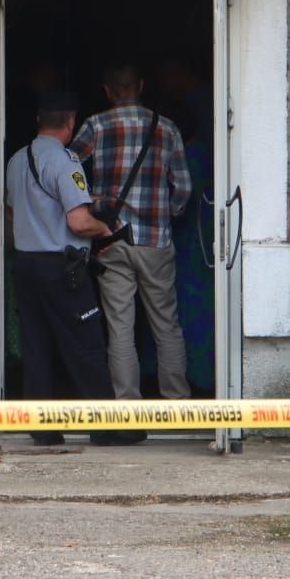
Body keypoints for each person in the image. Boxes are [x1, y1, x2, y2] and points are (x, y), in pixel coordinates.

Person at [5, 90, 145, 446]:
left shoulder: (17, 159)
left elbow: (12, 213)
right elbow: (80, 222)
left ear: (39, 120)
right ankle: (105, 428)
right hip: (61, 268)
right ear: (70, 123)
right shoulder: (66, 162)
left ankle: (42, 429)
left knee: (36, 347)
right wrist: (109, 230)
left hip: (25, 265)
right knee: (87, 347)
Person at [70, 64, 193, 405]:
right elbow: (182, 187)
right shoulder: (167, 129)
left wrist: (90, 201)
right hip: (155, 241)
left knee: (119, 328)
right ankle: (177, 403)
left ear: (107, 91)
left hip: (111, 239)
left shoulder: (95, 125)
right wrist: (167, 215)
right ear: (140, 85)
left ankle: (126, 405)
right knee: (166, 324)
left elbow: (66, 169)